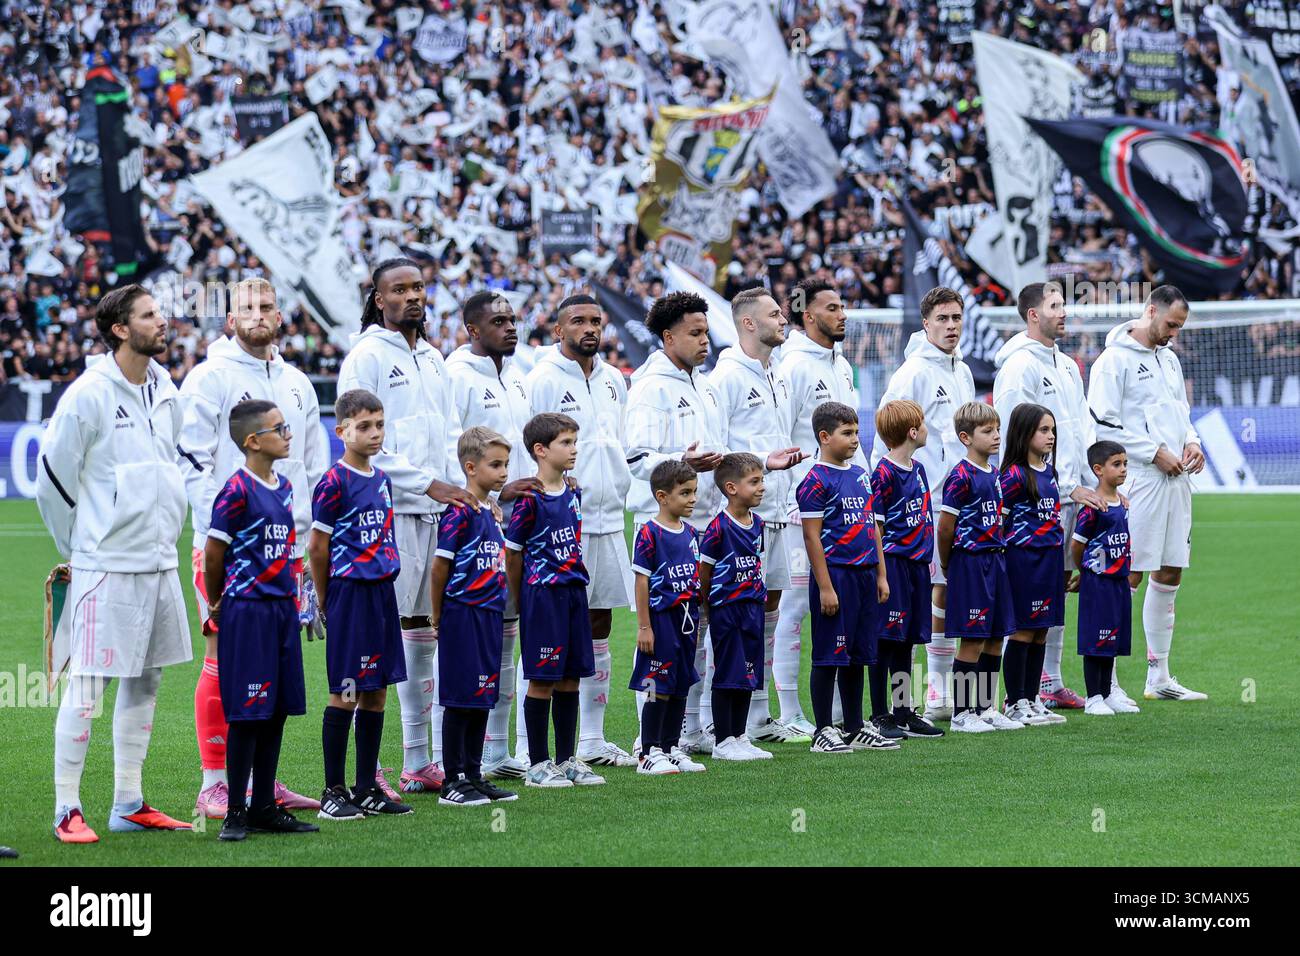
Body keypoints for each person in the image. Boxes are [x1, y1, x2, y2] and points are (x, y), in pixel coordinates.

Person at [37, 284, 194, 844]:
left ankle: (128, 802)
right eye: (150, 315)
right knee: (88, 684)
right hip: (107, 561)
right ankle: (65, 808)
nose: (163, 320)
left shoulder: (165, 385)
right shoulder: (88, 393)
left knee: (147, 680)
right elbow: (52, 479)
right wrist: (81, 547)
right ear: (121, 329)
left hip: (159, 560)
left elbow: (170, 463)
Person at [177, 276, 326, 818]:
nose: (258, 314)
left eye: (267, 305)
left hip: (287, 549)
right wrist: (222, 527)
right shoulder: (209, 377)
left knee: (273, 661)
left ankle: (262, 783)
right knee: (223, 656)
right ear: (230, 319)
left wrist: (309, 539)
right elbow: (191, 457)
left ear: (280, 315)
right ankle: (215, 782)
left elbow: (310, 464)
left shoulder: (298, 383)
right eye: (247, 307)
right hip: (232, 548)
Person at [337, 258, 478, 796]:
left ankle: (420, 760)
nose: (413, 296)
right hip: (386, 512)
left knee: (424, 630)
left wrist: (455, 487)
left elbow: (448, 433)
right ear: (379, 299)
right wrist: (428, 482)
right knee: (379, 637)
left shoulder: (435, 357)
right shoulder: (366, 356)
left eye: (419, 286)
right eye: (399, 289)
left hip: (434, 511)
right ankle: (365, 767)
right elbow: (359, 439)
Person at [524, 294, 636, 767]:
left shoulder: (613, 380)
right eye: (578, 321)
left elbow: (621, 445)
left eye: (595, 321)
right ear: (558, 330)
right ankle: (527, 751)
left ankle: (590, 739)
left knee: (599, 623)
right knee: (548, 630)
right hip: (560, 520)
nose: (589, 328)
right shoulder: (543, 378)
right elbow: (525, 444)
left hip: (609, 516)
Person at [203, 400, 318, 841]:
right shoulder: (235, 490)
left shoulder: (284, 486)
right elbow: (215, 553)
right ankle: (236, 811)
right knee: (248, 713)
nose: (288, 434)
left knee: (276, 711)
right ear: (253, 441)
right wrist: (218, 601)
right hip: (247, 610)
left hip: (281, 610)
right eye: (279, 428)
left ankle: (265, 806)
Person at [1087, 285, 1207, 702]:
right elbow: (1103, 425)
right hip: (1138, 479)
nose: (1174, 332)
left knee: (1171, 569)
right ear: (1150, 310)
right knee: (1129, 573)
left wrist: (1191, 442)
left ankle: (1159, 676)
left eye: (1180, 326)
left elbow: (1181, 414)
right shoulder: (1112, 361)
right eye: (1171, 324)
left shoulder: (1169, 360)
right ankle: (1110, 681)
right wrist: (1153, 452)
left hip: (1177, 479)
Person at [446, 290, 541, 779]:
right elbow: (453, 455)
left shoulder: (519, 378)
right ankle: (449, 758)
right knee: (471, 643)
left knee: (507, 640)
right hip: (474, 525)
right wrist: (495, 498)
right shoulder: (456, 376)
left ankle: (496, 751)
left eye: (512, 319)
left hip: (514, 525)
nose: (509, 327)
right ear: (472, 330)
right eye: (497, 321)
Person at [308, 389, 413, 820]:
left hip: (381, 594)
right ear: (342, 431)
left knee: (377, 691)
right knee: (347, 691)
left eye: (379, 424)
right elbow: (318, 546)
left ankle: (367, 785)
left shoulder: (382, 479)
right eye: (364, 426)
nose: (374, 433)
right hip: (349, 593)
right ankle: (333, 790)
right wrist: (324, 598)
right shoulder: (334, 481)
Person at [872, 286, 976, 722]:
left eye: (957, 318)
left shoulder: (964, 371)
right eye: (943, 319)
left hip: (963, 500)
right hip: (925, 505)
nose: (951, 326)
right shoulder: (912, 372)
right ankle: (932, 690)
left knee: (954, 590)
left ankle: (946, 689)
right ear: (926, 323)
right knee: (933, 591)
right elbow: (887, 431)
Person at [993, 281, 1098, 710]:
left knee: (1057, 591)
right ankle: (1016, 693)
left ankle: (1049, 683)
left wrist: (1092, 480)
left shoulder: (1068, 365)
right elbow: (1011, 435)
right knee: (1027, 597)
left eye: (1064, 304)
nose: (1064, 312)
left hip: (1072, 492)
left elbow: (1082, 428)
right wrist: (1049, 484)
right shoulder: (1018, 368)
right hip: (1039, 498)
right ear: (1033, 314)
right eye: (1055, 305)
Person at [709, 287, 807, 744]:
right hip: (737, 520)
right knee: (728, 614)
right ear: (748, 323)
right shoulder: (725, 377)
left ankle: (759, 714)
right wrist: (763, 463)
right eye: (774, 314)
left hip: (776, 511)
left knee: (767, 609)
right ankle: (711, 718)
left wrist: (780, 473)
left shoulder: (779, 374)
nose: (783, 318)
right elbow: (715, 449)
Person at [774, 278, 864, 737]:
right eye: (832, 307)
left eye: (843, 305)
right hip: (803, 506)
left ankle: (840, 717)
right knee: (796, 606)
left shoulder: (842, 364)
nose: (842, 313)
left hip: (847, 503)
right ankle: (790, 712)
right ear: (808, 316)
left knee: (841, 609)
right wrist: (797, 493)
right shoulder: (791, 364)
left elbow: (849, 440)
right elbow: (782, 431)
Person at [505, 413, 605, 788]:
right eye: (566, 443)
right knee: (543, 680)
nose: (574, 449)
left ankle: (567, 760)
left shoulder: (574, 491)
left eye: (575, 442)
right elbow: (513, 554)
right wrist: (523, 600)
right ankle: (538, 763)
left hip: (573, 593)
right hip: (542, 597)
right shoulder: (530, 499)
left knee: (571, 680)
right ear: (541, 450)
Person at [797, 402, 895, 754]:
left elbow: (873, 528)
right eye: (847, 433)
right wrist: (825, 586)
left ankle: (854, 726)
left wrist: (881, 574)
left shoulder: (859, 475)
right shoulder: (815, 480)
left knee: (859, 655)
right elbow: (811, 537)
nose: (855, 439)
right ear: (824, 437)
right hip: (836, 576)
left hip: (866, 575)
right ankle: (823, 729)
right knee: (829, 655)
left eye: (856, 432)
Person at [430, 427, 520, 807]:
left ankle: (474, 773)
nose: (503, 473)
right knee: (461, 697)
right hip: (462, 615)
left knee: (483, 694)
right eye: (495, 465)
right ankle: (453, 780)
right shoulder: (459, 512)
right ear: (470, 467)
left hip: (489, 615)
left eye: (506, 465)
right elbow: (439, 568)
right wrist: (438, 616)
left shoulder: (490, 511)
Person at [938, 402, 1023, 734]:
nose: (997, 436)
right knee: (972, 638)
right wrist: (949, 562)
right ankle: (962, 713)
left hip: (996, 559)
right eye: (988, 431)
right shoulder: (960, 475)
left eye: (997, 429)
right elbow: (946, 527)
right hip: (971, 563)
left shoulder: (994, 473)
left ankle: (986, 706)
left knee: (995, 637)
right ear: (966, 437)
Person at [870, 400, 944, 738]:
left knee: (907, 641)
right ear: (912, 432)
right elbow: (877, 529)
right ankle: (879, 714)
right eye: (923, 424)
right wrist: (882, 574)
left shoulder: (919, 468)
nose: (927, 429)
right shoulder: (883, 473)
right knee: (886, 639)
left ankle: (904, 711)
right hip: (895, 565)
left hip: (917, 567)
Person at [629, 459, 707, 775]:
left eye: (694, 492)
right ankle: (648, 752)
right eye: (685, 493)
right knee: (655, 684)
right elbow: (641, 581)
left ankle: (671, 747)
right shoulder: (649, 533)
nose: (692, 499)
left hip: (686, 622)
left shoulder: (690, 532)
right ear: (662, 497)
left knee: (679, 685)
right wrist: (645, 626)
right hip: (661, 621)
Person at [700, 452, 774, 761]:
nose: (762, 487)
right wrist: (709, 606)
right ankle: (723, 740)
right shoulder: (719, 527)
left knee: (748, 672)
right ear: (731, 488)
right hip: (727, 609)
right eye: (754, 481)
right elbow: (704, 571)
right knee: (728, 673)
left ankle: (740, 736)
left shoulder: (758, 523)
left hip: (752, 607)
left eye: (762, 480)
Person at [998, 403, 1068, 727]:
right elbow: (1000, 521)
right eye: (1043, 430)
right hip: (1024, 559)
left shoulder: (1049, 472)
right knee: (1024, 630)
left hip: (1050, 558)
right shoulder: (1013, 476)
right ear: (1024, 434)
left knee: (1042, 629)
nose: (1050, 436)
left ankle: (1033, 698)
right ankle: (1015, 701)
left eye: (1052, 429)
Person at [1071, 441, 1140, 716]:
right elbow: (1077, 545)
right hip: (1098, 582)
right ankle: (1093, 697)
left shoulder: (1121, 503)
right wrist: (1086, 571)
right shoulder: (1092, 508)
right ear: (1098, 470)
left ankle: (1108, 693)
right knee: (1095, 639)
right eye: (1117, 464)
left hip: (1119, 581)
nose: (1123, 469)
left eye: (1125, 463)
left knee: (1111, 637)